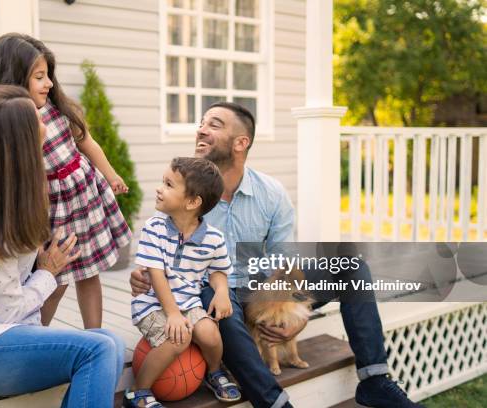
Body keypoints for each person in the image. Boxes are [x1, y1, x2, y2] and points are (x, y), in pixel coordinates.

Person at [130, 102, 425, 408]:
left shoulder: (270, 193)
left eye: (214, 124)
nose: (201, 129)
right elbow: (158, 253)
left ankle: (375, 381)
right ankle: (274, 403)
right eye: (201, 123)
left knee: (351, 267)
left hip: (263, 287)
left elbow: (284, 264)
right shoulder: (186, 192)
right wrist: (144, 276)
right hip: (214, 292)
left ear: (241, 143)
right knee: (220, 306)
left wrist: (298, 313)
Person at [0, 85, 125, 408]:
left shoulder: (7, 196)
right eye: (36, 119)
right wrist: (48, 272)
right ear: (16, 144)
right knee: (98, 350)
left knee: (111, 342)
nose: (45, 123)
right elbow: (8, 312)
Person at [0, 33, 132, 329]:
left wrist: (111, 175)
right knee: (53, 279)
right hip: (52, 208)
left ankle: (95, 334)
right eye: (39, 77)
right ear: (13, 79)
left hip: (84, 198)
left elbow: (87, 143)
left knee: (89, 273)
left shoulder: (58, 108)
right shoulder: (9, 124)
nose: (48, 83)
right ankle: (37, 335)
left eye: (48, 75)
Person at [124, 158, 241, 407]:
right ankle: (137, 391)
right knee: (180, 339)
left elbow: (219, 270)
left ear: (192, 202)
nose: (159, 188)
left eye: (168, 184)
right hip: (153, 304)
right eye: (162, 182)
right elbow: (155, 274)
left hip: (188, 302)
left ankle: (214, 371)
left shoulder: (213, 238)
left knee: (209, 333)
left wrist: (221, 291)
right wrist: (173, 313)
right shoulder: (153, 228)